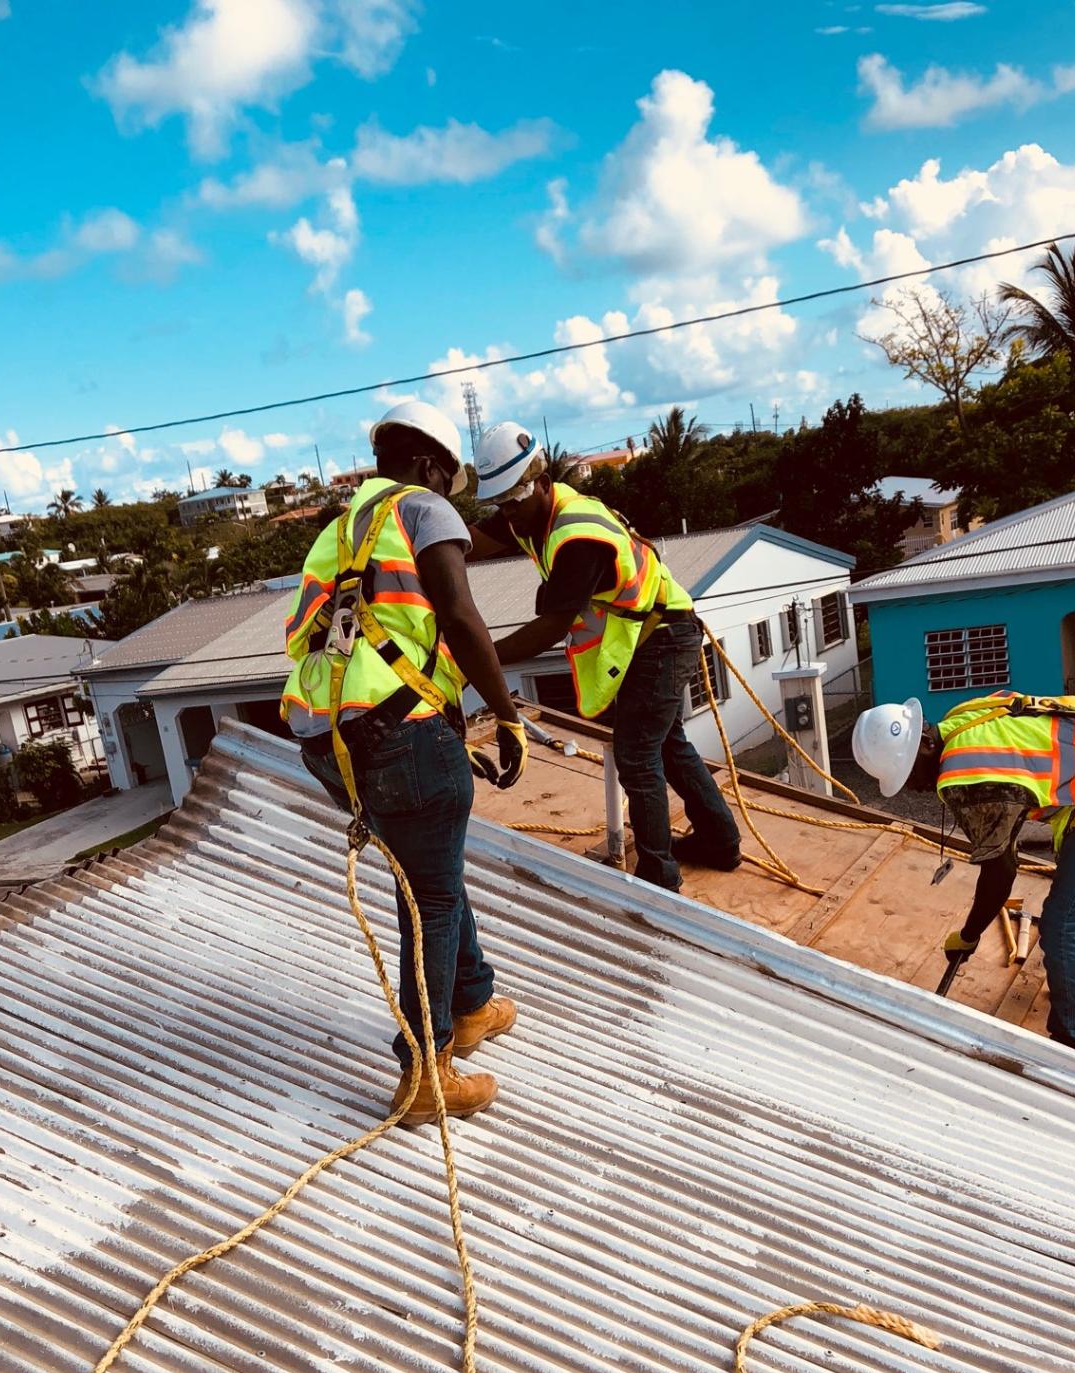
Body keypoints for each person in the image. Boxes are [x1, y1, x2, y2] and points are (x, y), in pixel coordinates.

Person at [281, 400, 530, 1126]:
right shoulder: (421, 508)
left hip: (333, 741)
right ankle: (426, 1069)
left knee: (430, 873)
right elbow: (457, 612)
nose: (451, 499)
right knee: (429, 899)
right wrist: (506, 714)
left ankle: (472, 1001)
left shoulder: (338, 532)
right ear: (429, 466)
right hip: (403, 736)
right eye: (451, 481)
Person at [464, 421, 740, 893]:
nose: (507, 515)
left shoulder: (577, 536)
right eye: (500, 504)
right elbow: (470, 541)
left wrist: (475, 659)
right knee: (669, 746)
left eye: (514, 501)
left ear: (543, 484)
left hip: (663, 635)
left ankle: (658, 876)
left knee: (637, 756)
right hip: (648, 634)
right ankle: (720, 843)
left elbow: (550, 627)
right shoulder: (531, 515)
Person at [851, 690, 1075, 1059]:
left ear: (923, 745)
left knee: (1065, 927)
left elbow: (1000, 874)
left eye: (907, 774)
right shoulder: (961, 721)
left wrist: (969, 936)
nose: (914, 787)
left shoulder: (967, 777)